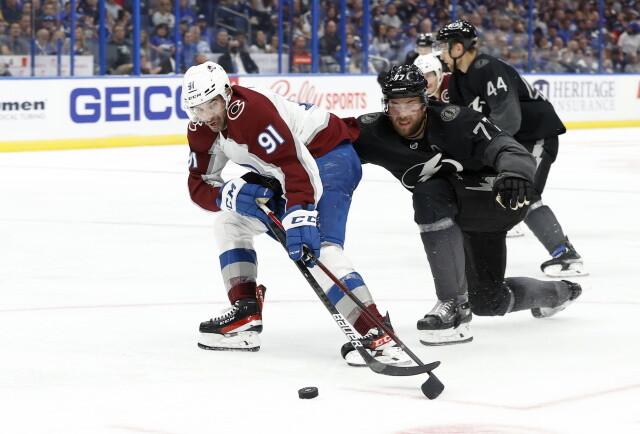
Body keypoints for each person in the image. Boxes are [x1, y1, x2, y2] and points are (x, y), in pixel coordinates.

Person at [182, 61, 410, 366]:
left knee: (319, 247)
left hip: (329, 156)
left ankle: (377, 333)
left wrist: (300, 215)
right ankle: (245, 312)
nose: (207, 115)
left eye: (212, 104)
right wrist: (227, 194)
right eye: (197, 109)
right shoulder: (201, 129)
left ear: (227, 93)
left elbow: (294, 165)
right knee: (229, 221)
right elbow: (199, 185)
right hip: (289, 171)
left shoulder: (251, 112)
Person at [349, 65, 582, 346]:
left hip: (497, 201)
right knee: (488, 299)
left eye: (411, 104)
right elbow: (322, 138)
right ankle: (559, 292)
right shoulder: (374, 129)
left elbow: (509, 148)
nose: (402, 114)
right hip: (457, 212)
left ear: (424, 101)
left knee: (429, 191)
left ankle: (454, 307)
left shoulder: (457, 120)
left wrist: (515, 174)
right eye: (395, 105)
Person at [434, 20, 586, 277]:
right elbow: (465, 122)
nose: (441, 52)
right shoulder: (458, 81)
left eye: (444, 47)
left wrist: (484, 153)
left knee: (524, 190)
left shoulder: (487, 68)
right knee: (494, 189)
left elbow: (509, 120)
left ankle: (566, 255)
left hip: (533, 136)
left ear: (458, 47)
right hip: (509, 140)